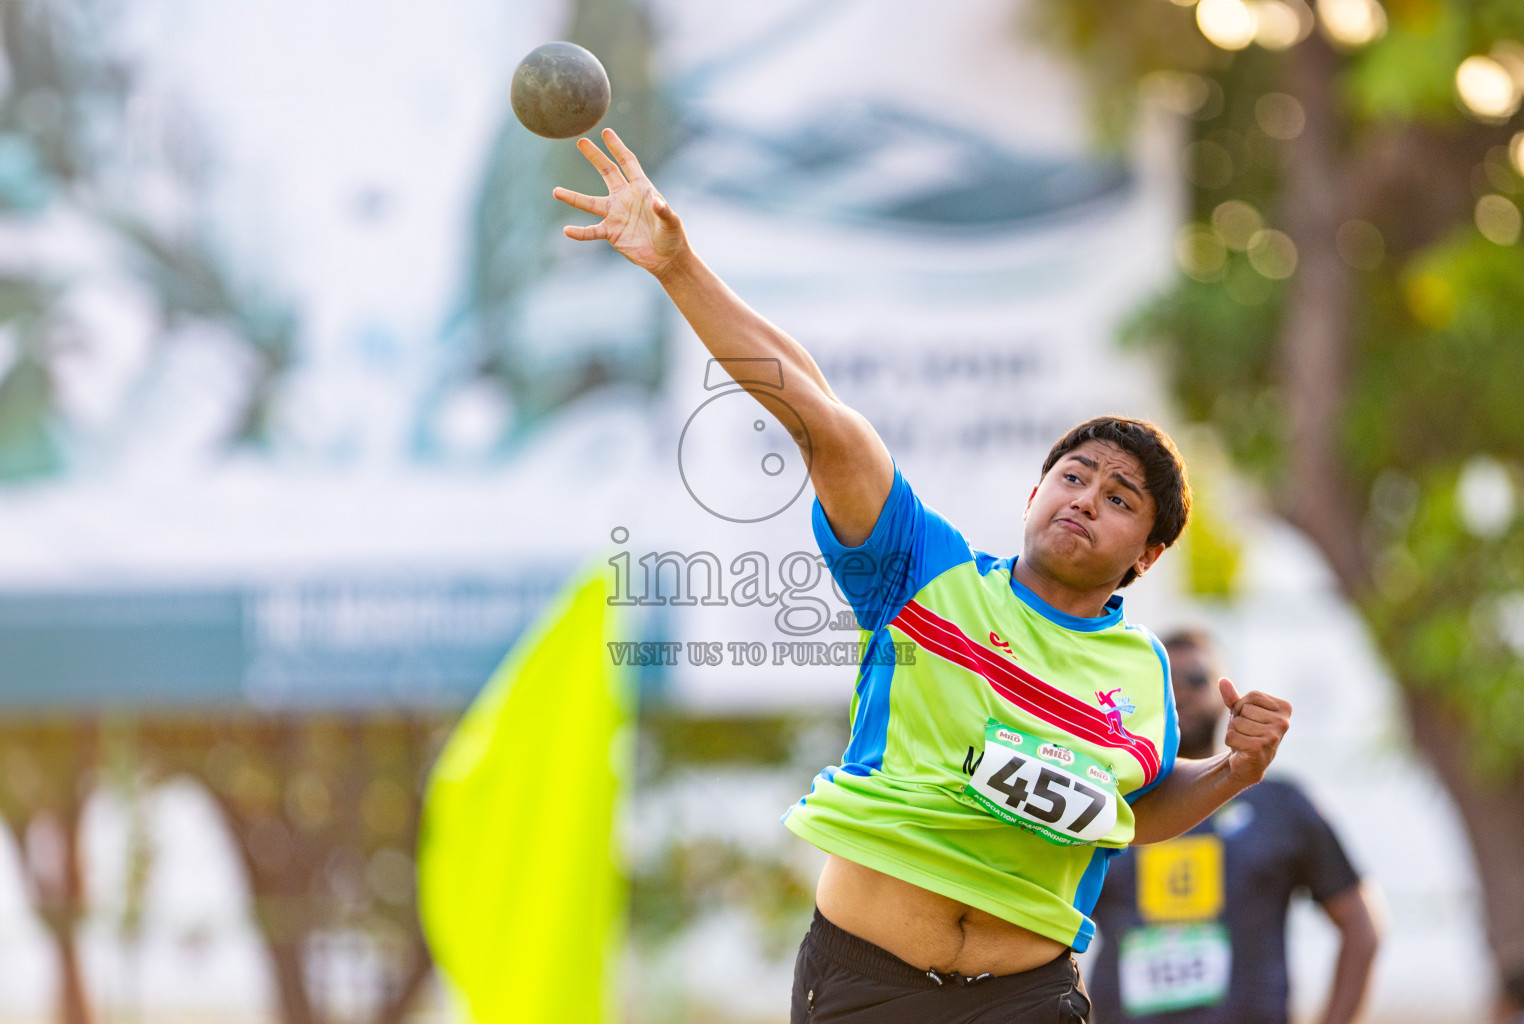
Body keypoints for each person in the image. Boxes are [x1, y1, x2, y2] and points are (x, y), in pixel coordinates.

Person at [554, 129, 1293, 1023]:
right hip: (867, 982)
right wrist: (678, 266)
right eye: (1073, 475)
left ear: (1147, 555)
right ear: (1034, 491)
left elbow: (1136, 809)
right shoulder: (926, 573)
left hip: (1030, 995)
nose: (1087, 498)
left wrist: (1234, 773)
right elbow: (820, 416)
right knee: (841, 428)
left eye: (1120, 497)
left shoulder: (1143, 673)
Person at [1084, 630, 1380, 1024]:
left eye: (1195, 679)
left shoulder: (1280, 806)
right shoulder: (1106, 806)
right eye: (1163, 682)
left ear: (1227, 692)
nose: (1180, 693)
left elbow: (1361, 926)